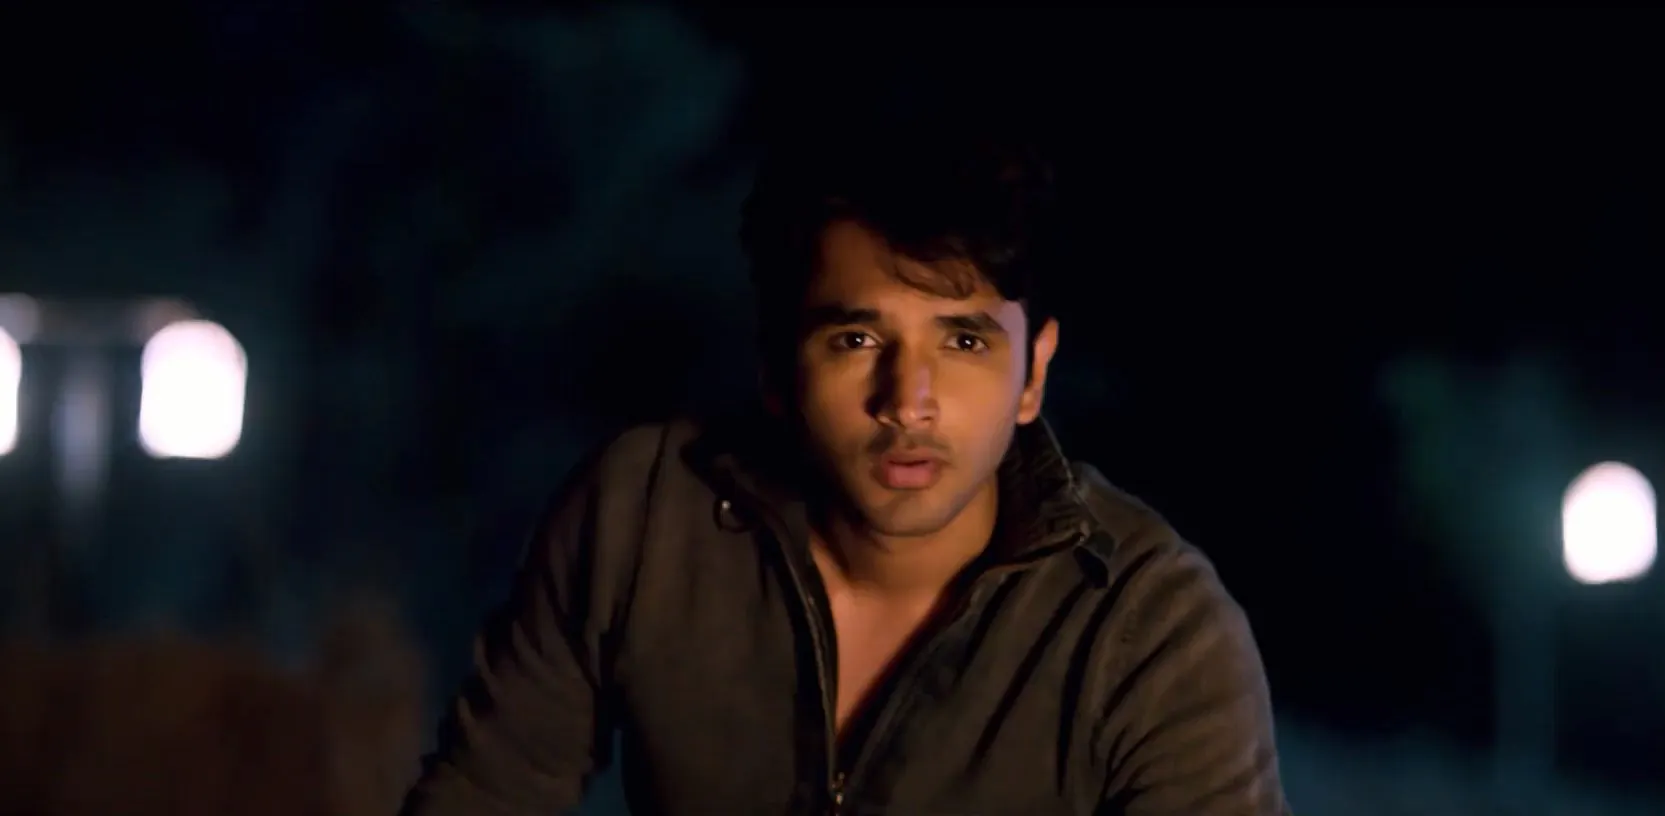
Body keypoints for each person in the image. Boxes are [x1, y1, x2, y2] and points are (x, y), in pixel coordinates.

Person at [400, 112, 1287, 815]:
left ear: (1033, 374)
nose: (908, 402)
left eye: (964, 341)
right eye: (856, 339)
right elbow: (485, 791)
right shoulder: (644, 515)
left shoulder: (1150, 630)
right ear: (777, 368)